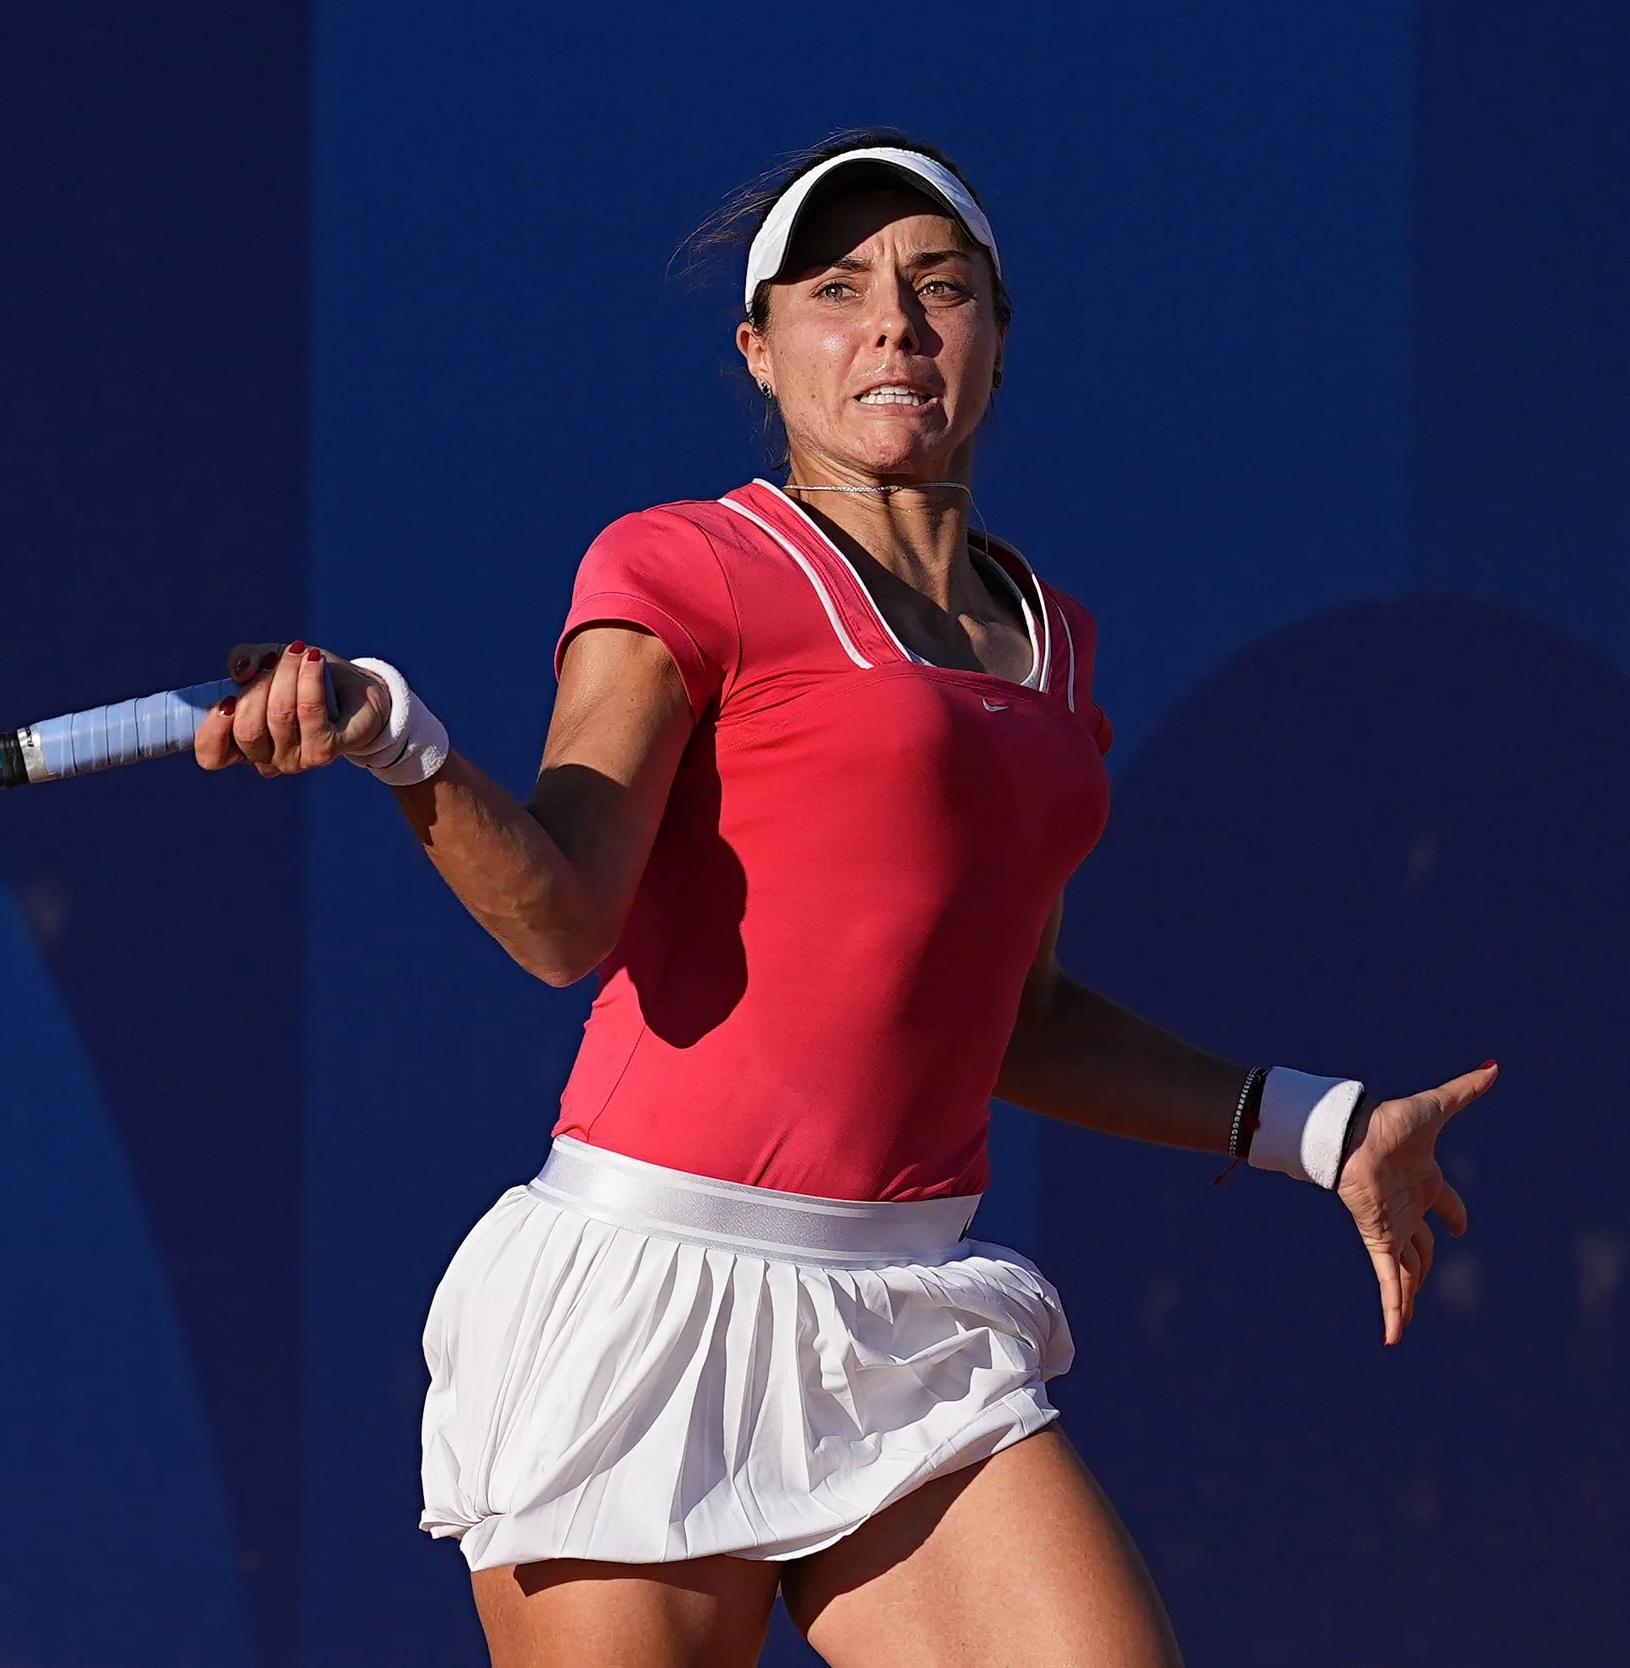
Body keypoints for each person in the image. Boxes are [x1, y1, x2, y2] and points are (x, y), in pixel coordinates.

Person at [194, 129, 1491, 1668]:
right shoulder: (686, 563)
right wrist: (399, 741)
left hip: (903, 1324)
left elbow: (1014, 1021)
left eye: (939, 287)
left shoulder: (1049, 642)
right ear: (762, 349)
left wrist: (1318, 1127)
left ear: (997, 341)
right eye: (837, 288)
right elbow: (561, 922)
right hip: (645, 1313)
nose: (893, 323)